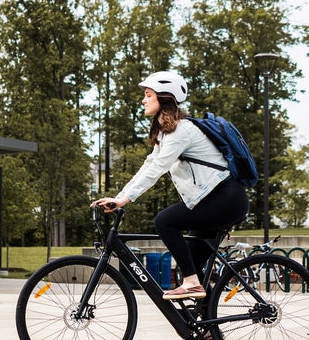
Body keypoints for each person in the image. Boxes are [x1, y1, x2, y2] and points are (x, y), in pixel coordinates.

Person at [91, 70, 249, 310]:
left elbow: (158, 169)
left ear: (164, 97)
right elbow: (150, 165)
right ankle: (206, 326)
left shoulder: (181, 130)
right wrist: (121, 196)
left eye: (148, 95)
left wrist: (124, 199)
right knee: (191, 268)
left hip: (226, 198)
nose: (144, 100)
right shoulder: (169, 132)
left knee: (164, 221)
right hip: (214, 200)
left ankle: (192, 284)